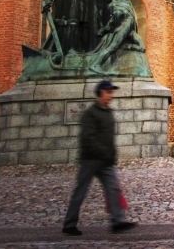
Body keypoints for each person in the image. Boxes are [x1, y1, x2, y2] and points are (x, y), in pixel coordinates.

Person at [62, 80, 137, 236]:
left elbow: (108, 137)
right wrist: (104, 151)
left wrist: (111, 154)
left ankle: (117, 221)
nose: (111, 96)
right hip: (90, 159)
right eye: (108, 92)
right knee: (80, 191)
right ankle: (69, 224)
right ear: (101, 93)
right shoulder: (90, 113)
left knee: (114, 188)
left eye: (111, 93)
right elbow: (88, 138)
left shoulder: (108, 112)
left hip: (105, 160)